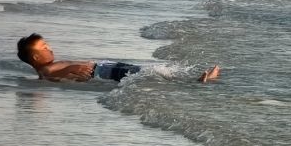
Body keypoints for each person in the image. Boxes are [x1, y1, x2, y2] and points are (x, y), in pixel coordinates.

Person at [16, 34, 218, 84]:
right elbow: (51, 75)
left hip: (107, 67)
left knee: (151, 72)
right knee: (150, 75)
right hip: (104, 72)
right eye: (44, 47)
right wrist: (73, 68)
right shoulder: (46, 70)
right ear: (35, 56)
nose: (50, 48)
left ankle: (191, 79)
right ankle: (194, 82)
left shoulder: (50, 66)